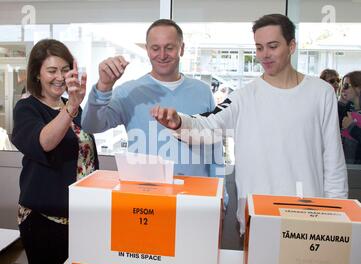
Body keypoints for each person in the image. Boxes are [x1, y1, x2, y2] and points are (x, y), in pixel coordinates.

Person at [151, 13, 348, 235]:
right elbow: (207, 127)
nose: (265, 55)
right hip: (257, 219)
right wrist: (179, 122)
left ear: (291, 46)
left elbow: (333, 159)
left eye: (272, 46)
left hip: (309, 220)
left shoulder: (320, 93)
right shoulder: (243, 97)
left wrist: (338, 214)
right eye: (259, 47)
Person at [81, 19, 228, 203]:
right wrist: (103, 87)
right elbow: (91, 125)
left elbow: (214, 147)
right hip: (145, 200)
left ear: (181, 48)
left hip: (196, 199)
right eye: (155, 48)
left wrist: (222, 195)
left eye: (170, 47)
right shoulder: (128, 91)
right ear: (148, 50)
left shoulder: (203, 91)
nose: (162, 55)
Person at [11, 39, 99, 264]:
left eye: (64, 69)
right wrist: (71, 107)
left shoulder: (73, 106)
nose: (59, 77)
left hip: (80, 217)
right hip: (44, 220)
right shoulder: (27, 107)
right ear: (37, 74)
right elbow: (44, 142)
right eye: (52, 71)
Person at [340, 71, 361, 163]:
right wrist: (341, 104)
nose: (342, 89)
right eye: (342, 86)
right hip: (346, 167)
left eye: (346, 86)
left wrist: (351, 127)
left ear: (358, 88)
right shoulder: (348, 109)